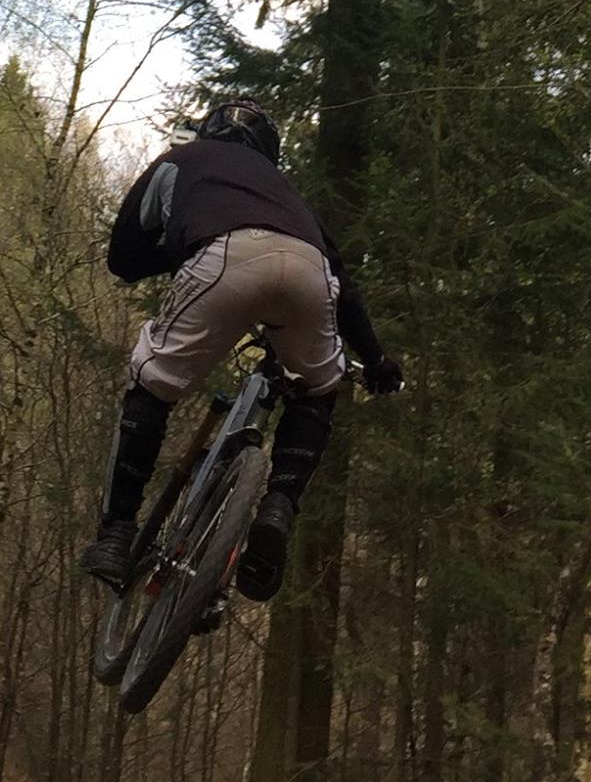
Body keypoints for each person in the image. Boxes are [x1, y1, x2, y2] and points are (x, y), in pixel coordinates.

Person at [79, 98, 403, 601]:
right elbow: (343, 286)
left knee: (154, 381)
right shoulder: (285, 192)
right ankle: (278, 506)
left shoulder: (179, 159)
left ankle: (117, 534)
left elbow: (123, 257)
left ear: (209, 131)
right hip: (308, 268)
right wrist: (377, 360)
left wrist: (185, 246)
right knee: (318, 388)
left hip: (222, 257)